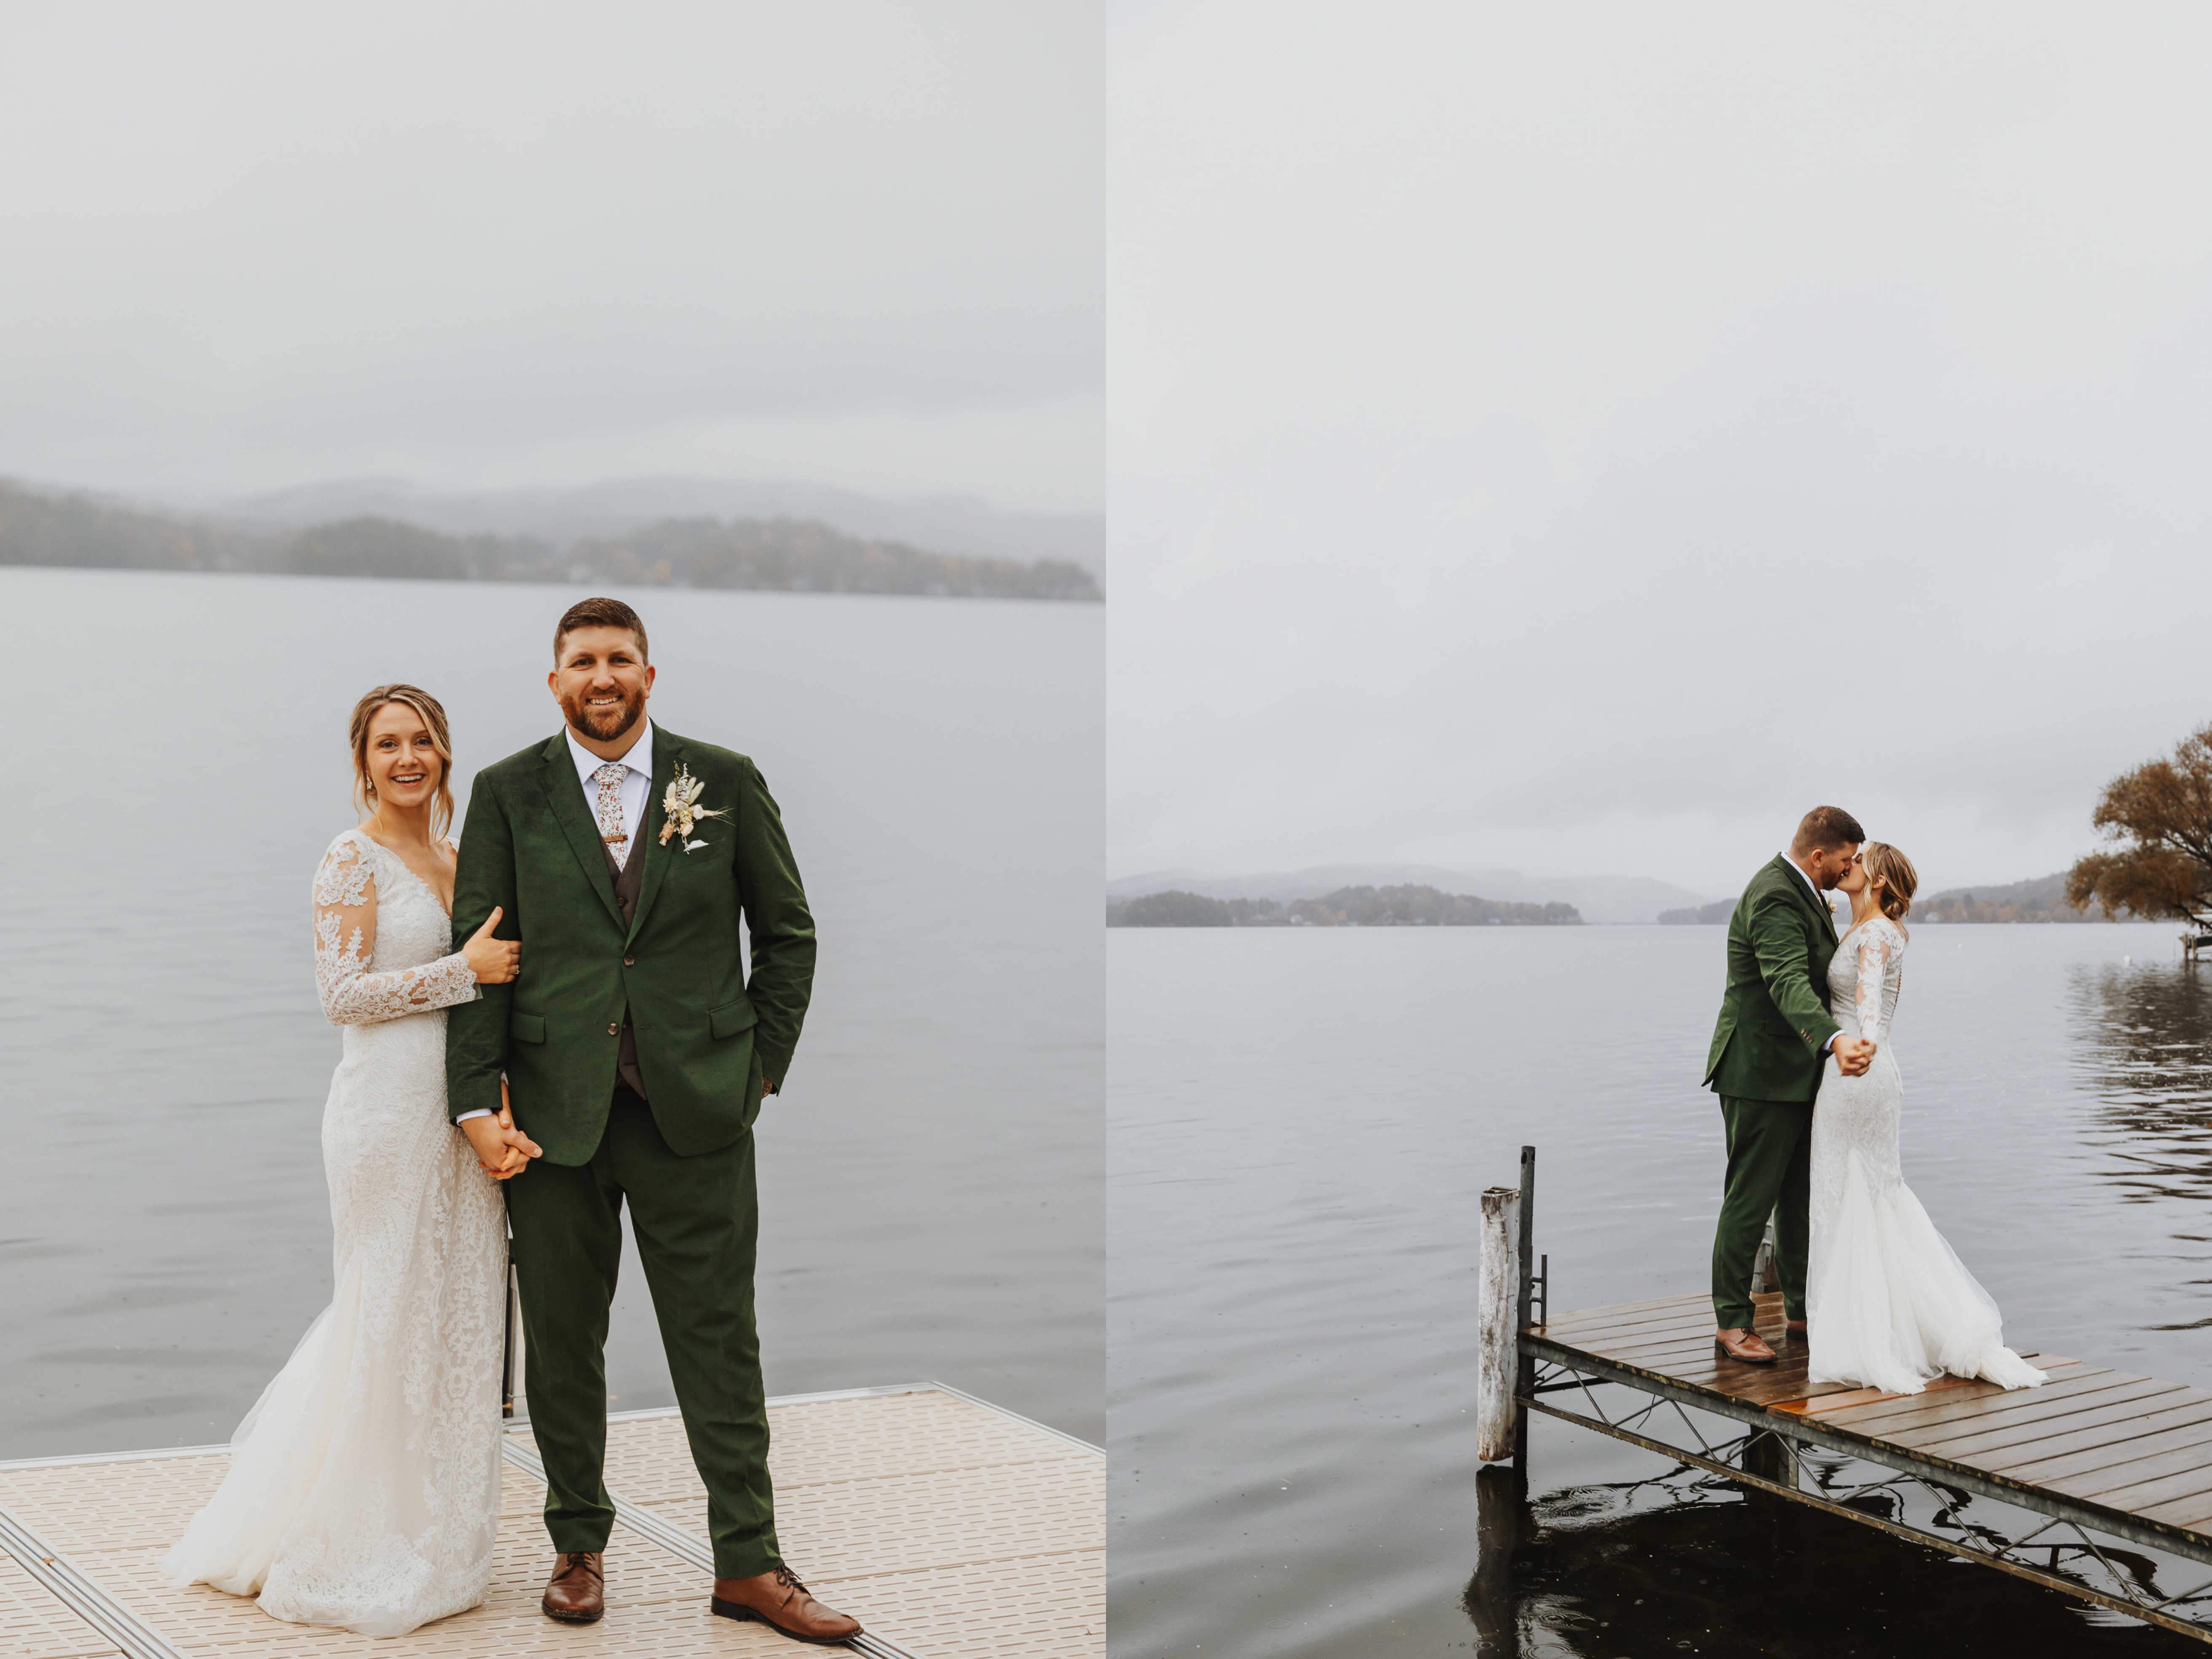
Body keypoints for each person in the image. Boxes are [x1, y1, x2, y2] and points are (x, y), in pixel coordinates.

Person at [445, 597, 860, 1641]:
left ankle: (750, 1566)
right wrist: (472, 1101)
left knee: (721, 1340)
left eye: (620, 658)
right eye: (582, 660)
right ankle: (579, 1549)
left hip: (700, 1114)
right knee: (565, 1344)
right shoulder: (506, 792)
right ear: (554, 681)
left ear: (649, 674)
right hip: (553, 1118)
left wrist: (757, 1069)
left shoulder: (720, 779)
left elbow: (790, 934)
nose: (602, 675)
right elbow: (478, 956)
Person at [162, 685, 526, 1637]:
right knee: (386, 1304)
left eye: (423, 741)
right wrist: (463, 971)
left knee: (452, 1312)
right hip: (383, 1113)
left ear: (446, 754)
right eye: (388, 744)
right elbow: (340, 994)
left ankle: (438, 1528)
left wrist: (498, 1101)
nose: (408, 757)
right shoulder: (348, 856)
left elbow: (487, 1007)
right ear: (364, 762)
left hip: (458, 1114)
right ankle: (353, 1531)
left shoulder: (455, 857)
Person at [1805, 842, 2045, 1394]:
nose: (1849, 865)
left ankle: (1862, 1333)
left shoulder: (1873, 936)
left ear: (1881, 882)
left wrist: (1857, 1046)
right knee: (1867, 1196)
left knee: (1854, 1195)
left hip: (1858, 1072)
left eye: (1859, 861)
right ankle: (1872, 1323)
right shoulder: (1868, 926)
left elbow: (1867, 1001)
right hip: (1865, 1072)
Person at [1702, 806, 1875, 1365]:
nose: (1847, 869)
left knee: (1799, 1199)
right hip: (1758, 1073)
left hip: (1796, 1074)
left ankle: (1800, 1310)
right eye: (1844, 860)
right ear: (1818, 855)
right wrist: (1830, 1039)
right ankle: (1732, 1321)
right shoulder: (1774, 893)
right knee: (1750, 1199)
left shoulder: (1802, 890)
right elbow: (1785, 980)